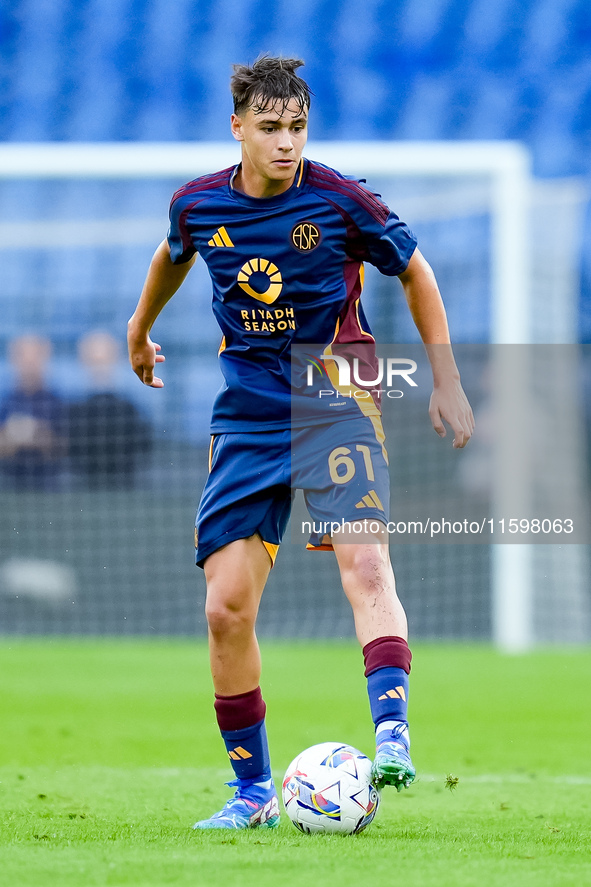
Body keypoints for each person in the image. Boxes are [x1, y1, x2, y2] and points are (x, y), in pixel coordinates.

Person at [127, 56, 474, 831]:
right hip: (247, 416)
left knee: (364, 560)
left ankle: (390, 731)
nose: (286, 143)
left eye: (297, 128)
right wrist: (138, 328)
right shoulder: (197, 204)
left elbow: (413, 269)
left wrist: (445, 378)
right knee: (224, 609)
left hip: (335, 401)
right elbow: (170, 254)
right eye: (270, 128)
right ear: (238, 129)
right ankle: (251, 790)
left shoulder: (339, 199)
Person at [68, 330, 151, 488]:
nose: (99, 367)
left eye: (103, 360)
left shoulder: (129, 410)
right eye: (94, 360)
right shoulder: (74, 413)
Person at [0, 334, 67, 490]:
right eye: (23, 356)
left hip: (48, 484)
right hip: (8, 484)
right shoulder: (5, 402)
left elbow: (62, 447)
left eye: (34, 356)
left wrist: (34, 432)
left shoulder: (57, 402)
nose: (29, 363)